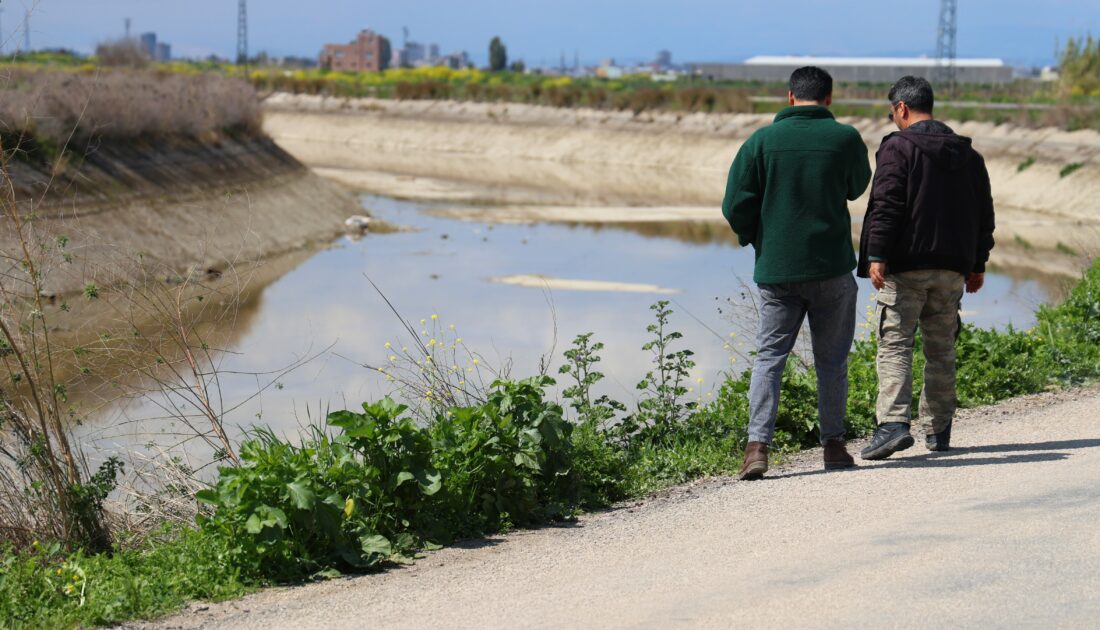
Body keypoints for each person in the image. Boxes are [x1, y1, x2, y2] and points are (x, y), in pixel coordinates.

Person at [723, 66, 872, 480]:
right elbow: (858, 186)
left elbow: (735, 203)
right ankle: (834, 445)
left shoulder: (761, 141)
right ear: (828, 99)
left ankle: (757, 448)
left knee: (769, 358)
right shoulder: (845, 138)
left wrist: (757, 239)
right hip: (832, 268)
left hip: (777, 271)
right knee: (832, 360)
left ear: (789, 97)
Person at [857, 76, 996, 460]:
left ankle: (893, 425)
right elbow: (984, 214)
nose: (893, 118)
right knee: (941, 350)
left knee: (896, 344)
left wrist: (877, 254)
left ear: (901, 108)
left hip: (906, 266)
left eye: (892, 113)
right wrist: (977, 264)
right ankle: (939, 430)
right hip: (952, 269)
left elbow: (887, 203)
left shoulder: (897, 148)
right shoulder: (969, 155)